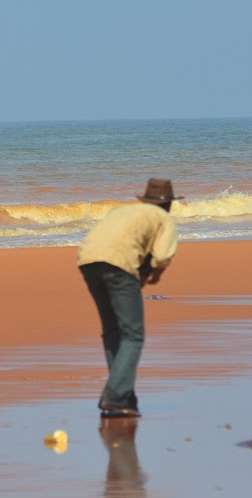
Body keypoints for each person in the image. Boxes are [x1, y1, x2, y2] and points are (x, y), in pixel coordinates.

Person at [77, 178, 181, 418]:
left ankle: (123, 398)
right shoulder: (162, 218)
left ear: (144, 199)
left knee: (113, 331)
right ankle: (114, 395)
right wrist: (154, 276)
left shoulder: (123, 211)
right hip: (119, 266)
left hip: (87, 261)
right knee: (133, 334)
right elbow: (163, 256)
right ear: (168, 205)